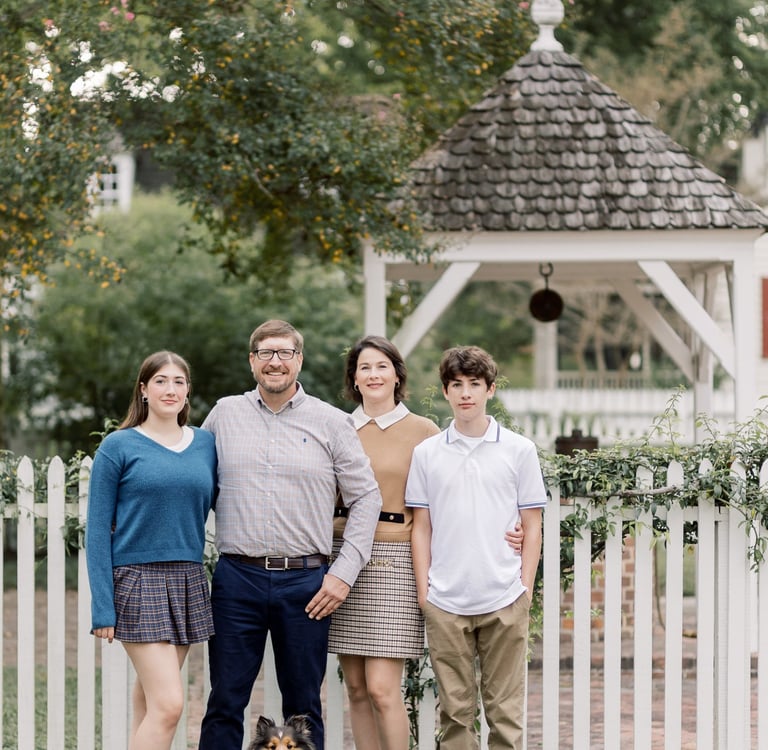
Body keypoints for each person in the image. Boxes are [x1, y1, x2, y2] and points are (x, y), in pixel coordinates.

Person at [198, 319, 382, 750]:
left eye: (284, 353)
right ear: (252, 361)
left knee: (302, 706)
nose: (275, 361)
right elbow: (195, 485)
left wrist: (344, 574)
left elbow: (366, 498)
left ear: (298, 360)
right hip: (236, 578)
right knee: (225, 699)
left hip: (307, 583)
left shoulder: (332, 423)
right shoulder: (224, 415)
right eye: (266, 353)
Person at [406, 345, 547, 750]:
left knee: (505, 714)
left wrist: (524, 589)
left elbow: (533, 524)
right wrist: (424, 594)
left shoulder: (519, 450)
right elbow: (422, 528)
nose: (465, 393)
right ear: (446, 391)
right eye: (456, 385)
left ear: (490, 389)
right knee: (455, 715)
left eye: (474, 384)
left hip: (504, 596)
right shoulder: (427, 453)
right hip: (445, 601)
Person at [86, 351, 218, 750]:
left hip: (187, 580)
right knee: (170, 705)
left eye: (179, 381)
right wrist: (103, 607)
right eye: (160, 380)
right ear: (143, 389)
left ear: (188, 390)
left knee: (149, 699)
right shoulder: (118, 446)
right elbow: (96, 531)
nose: (170, 389)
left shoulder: (206, 444)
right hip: (137, 581)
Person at [328, 335, 441, 750]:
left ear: (397, 375)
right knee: (355, 687)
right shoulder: (337, 426)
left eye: (382, 366)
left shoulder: (424, 432)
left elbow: (444, 502)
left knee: (381, 687)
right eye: (364, 368)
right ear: (354, 379)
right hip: (341, 558)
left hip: (395, 559)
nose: (373, 375)